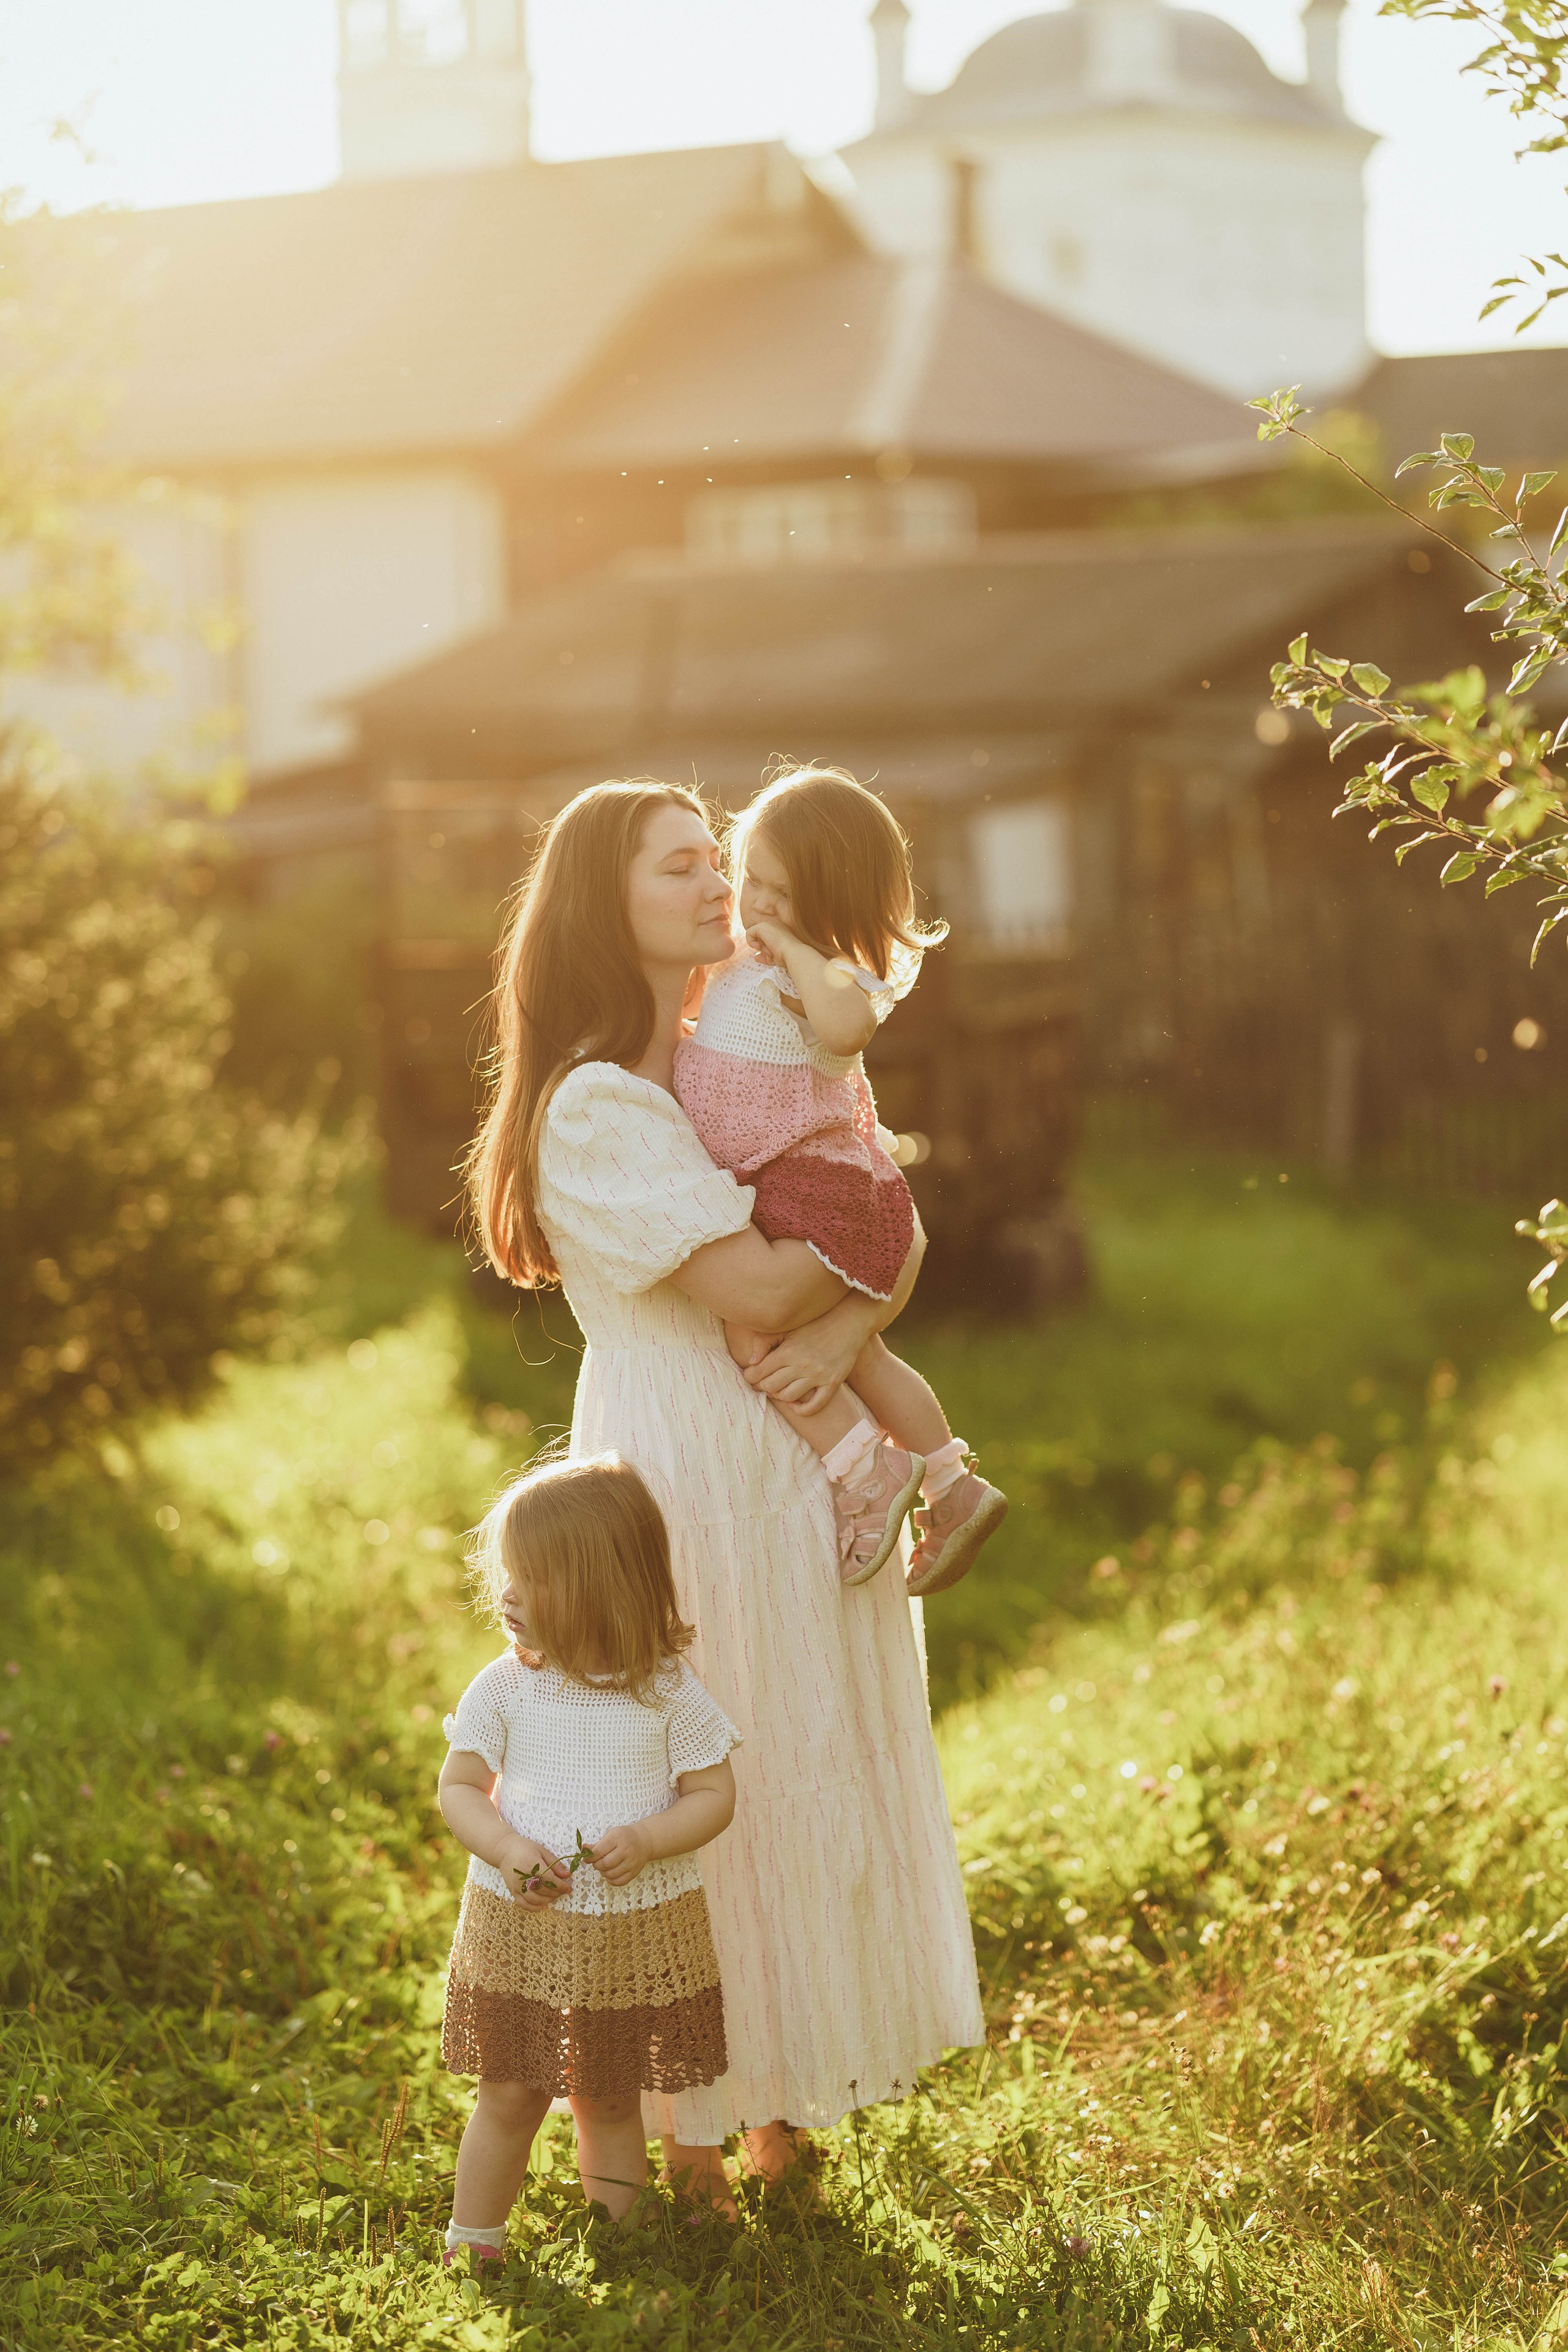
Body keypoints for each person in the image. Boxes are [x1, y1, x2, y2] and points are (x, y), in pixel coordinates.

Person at [464, 779, 983, 2208]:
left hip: (788, 1454)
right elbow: (768, 1273)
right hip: (678, 1472)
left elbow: (886, 1217)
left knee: (800, 1764)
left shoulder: (724, 1055)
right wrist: (858, 1269)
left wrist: (844, 1314)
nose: (716, 886)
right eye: (678, 867)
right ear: (601, 905)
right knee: (691, 1783)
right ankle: (682, 2134)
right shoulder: (595, 1105)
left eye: (717, 860)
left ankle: (778, 2107)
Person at [674, 766, 1008, 1596]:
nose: (757, 905)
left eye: (781, 894)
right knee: (864, 1354)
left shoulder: (830, 976)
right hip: (795, 1190)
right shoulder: (743, 965)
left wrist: (796, 947)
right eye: (750, 878)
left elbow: (849, 1030)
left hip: (818, 1188)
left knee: (753, 1334)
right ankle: (949, 1479)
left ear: (833, 902)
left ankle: (863, 1469)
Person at [439, 1451, 740, 2255]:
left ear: (599, 1588)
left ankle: (620, 2247)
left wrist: (649, 1837)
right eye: (507, 1574)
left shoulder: (667, 1690)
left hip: (629, 1933)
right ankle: (473, 2244)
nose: (506, 1595)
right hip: (522, 1925)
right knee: (509, 2093)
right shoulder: (507, 1687)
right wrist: (505, 1845)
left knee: (611, 2101)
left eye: (529, 1578)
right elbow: (460, 1788)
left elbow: (715, 1796)